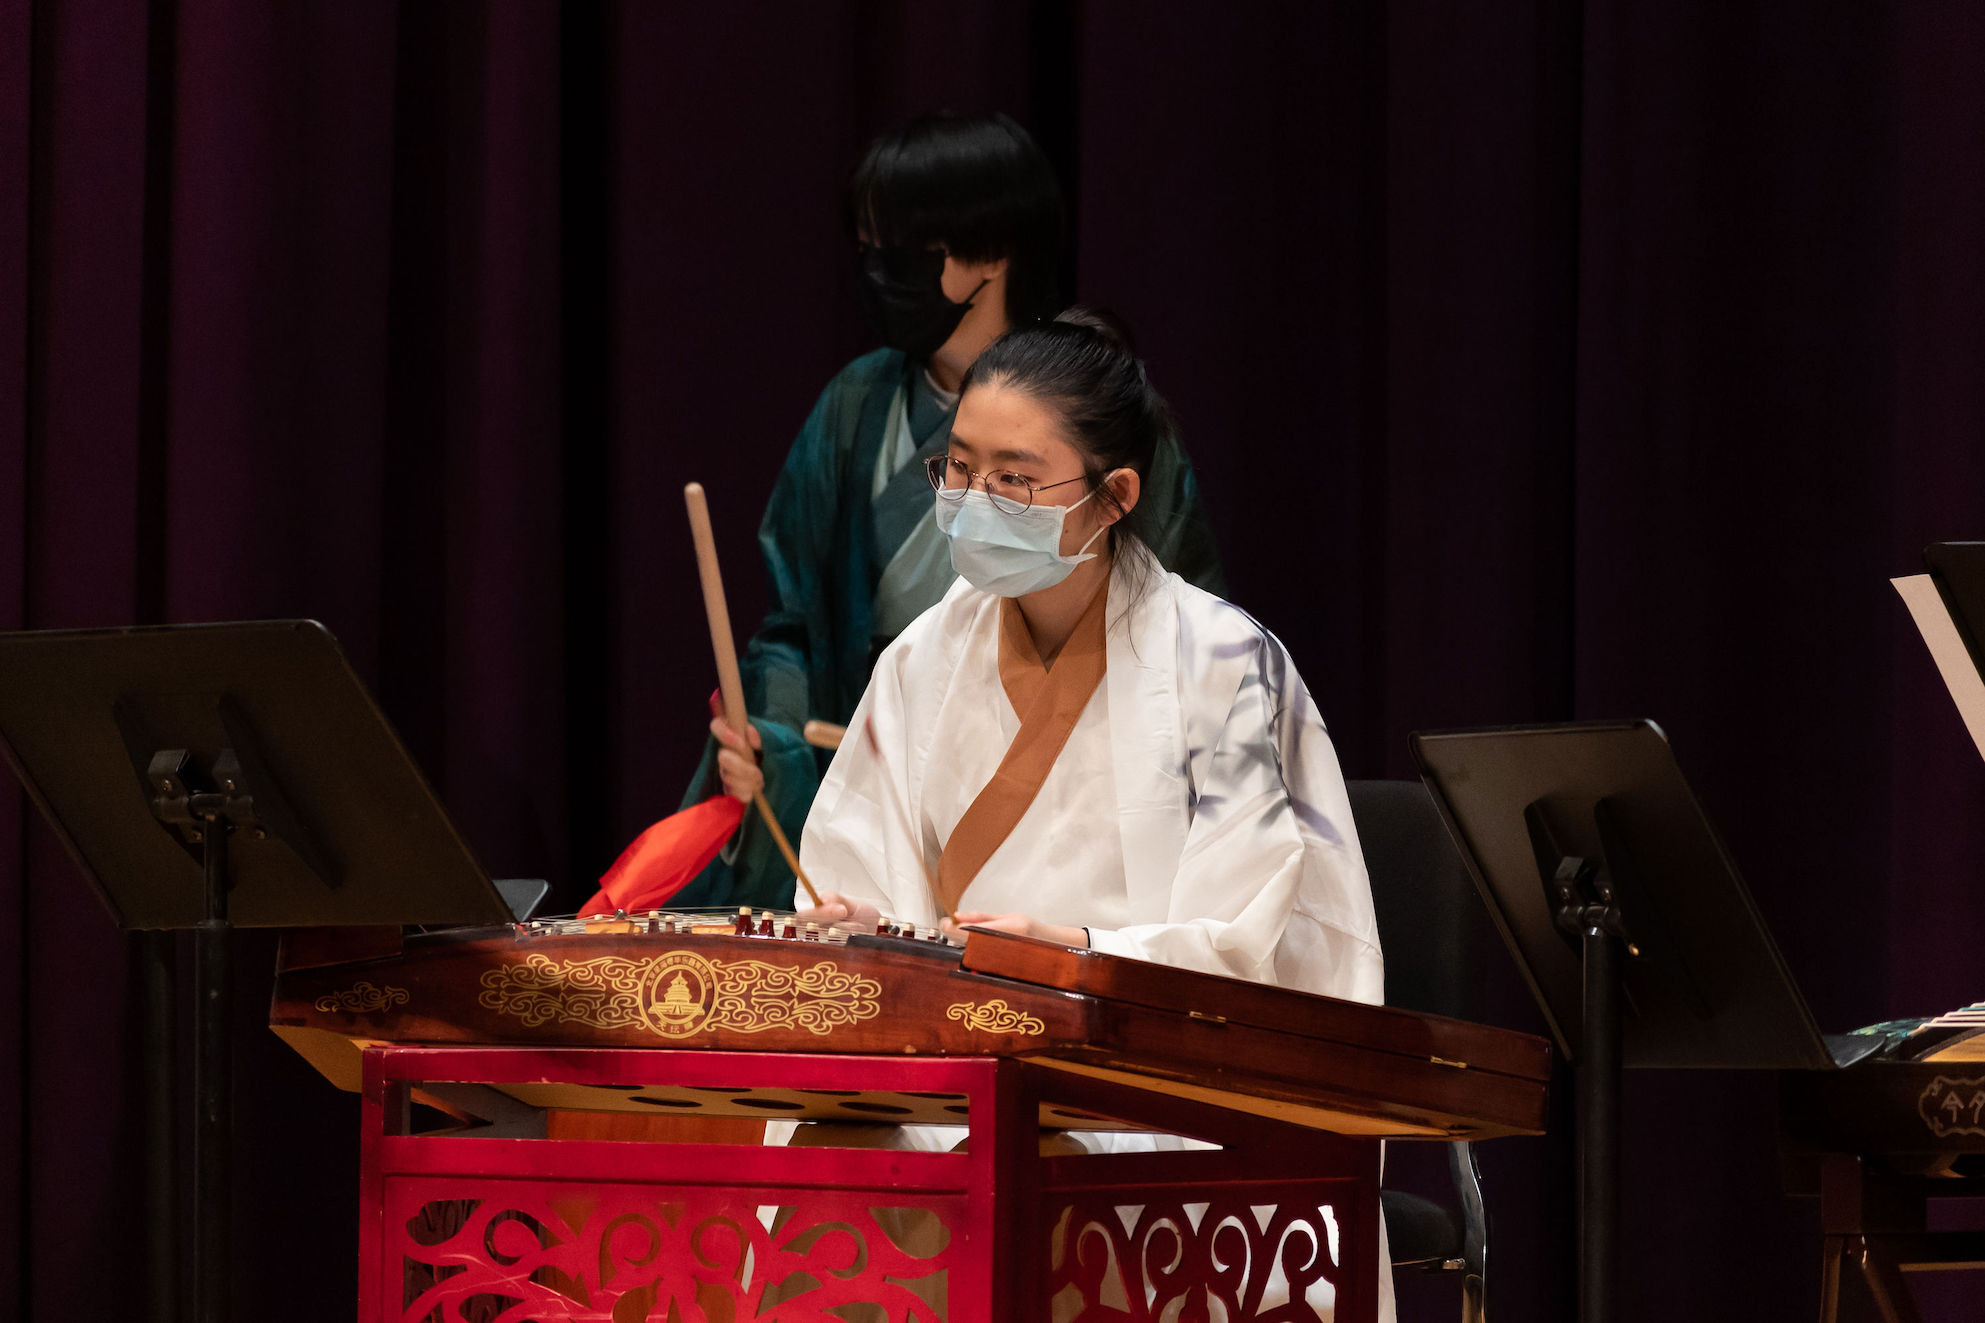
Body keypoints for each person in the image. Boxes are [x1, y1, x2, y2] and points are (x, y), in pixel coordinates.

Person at [712, 311, 1390, 1319]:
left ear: (1113, 497)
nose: (973, 504)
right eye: (958, 469)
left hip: (1157, 1098)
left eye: (1015, 481)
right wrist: (860, 936)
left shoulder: (1225, 670)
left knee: (1049, 1164)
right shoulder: (920, 661)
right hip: (954, 1083)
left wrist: (1075, 955)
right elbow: (860, 873)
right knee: (838, 1148)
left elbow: (1267, 946)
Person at [675, 112, 1223, 910]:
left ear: (992, 251)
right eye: (864, 249)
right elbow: (791, 625)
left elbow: (1166, 618)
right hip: (876, 773)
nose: (874, 270)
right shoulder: (856, 408)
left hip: (1069, 792)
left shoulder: (1097, 417)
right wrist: (776, 741)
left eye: (898, 250)